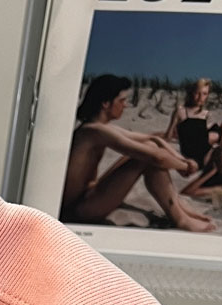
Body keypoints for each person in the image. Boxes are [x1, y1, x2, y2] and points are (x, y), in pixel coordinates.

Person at [60, 73, 214, 231]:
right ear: (106, 103)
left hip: (88, 195)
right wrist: (185, 166)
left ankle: (180, 207)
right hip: (78, 210)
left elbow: (152, 138)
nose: (125, 105)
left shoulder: (98, 127)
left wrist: (182, 159)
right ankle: (180, 218)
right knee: (146, 157)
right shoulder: (95, 131)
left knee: (148, 146)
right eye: (122, 101)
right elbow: (158, 157)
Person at [163, 77, 221, 171]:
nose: (200, 97)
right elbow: (168, 137)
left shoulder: (206, 114)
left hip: (207, 154)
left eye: (204, 94)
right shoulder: (180, 111)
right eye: (197, 93)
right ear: (192, 93)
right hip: (189, 157)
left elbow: (206, 138)